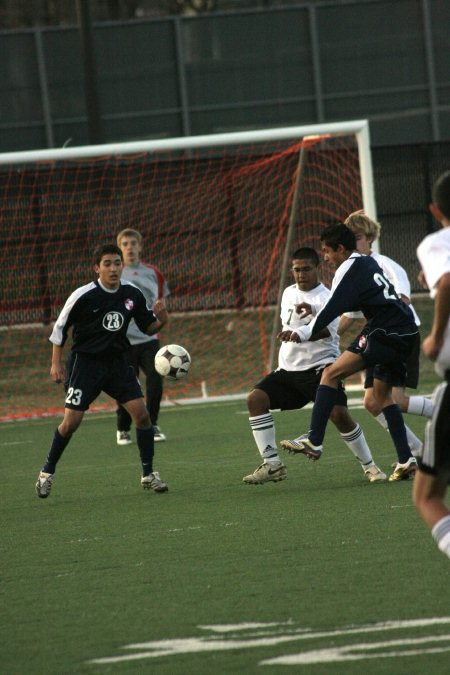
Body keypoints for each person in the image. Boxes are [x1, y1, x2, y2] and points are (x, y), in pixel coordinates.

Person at [280, 223, 419, 481]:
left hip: (384, 331)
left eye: (327, 251)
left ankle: (314, 440)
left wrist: (303, 332)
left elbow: (332, 308)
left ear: (340, 249)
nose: (325, 257)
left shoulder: (348, 268)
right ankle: (406, 459)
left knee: (330, 374)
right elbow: (354, 309)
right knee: (381, 395)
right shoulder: (366, 263)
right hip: (407, 331)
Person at [35, 243, 169, 499]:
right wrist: (55, 363)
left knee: (142, 416)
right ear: (97, 268)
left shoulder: (132, 293)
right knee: (70, 423)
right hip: (86, 365)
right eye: (107, 263)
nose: (113, 268)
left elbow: (148, 327)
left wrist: (163, 318)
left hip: (118, 363)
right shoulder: (83, 295)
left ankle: (149, 474)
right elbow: (59, 331)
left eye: (117, 263)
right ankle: (46, 473)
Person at [243, 247, 386, 485]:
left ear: (317, 268)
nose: (301, 274)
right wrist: (291, 334)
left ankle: (370, 466)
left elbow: (328, 332)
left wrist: (300, 334)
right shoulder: (288, 293)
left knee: (339, 415)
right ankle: (272, 464)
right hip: (288, 371)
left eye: (307, 269)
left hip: (321, 368)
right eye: (297, 270)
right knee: (255, 399)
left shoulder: (327, 297)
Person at [342, 210, 432, 457]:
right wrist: (325, 332)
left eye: (357, 236)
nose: (353, 242)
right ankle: (418, 452)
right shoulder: (353, 269)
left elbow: (402, 298)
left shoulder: (386, 265)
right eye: (348, 238)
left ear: (369, 237)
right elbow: (350, 314)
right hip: (378, 337)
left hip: (400, 335)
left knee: (395, 399)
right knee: (372, 402)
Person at [415, 169, 450, 560]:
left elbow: (448, 281)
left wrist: (437, 337)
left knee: (427, 496)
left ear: (435, 209)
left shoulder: (438, 241)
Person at [115, 228, 170, 445]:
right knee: (127, 384)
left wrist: (160, 317)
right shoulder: (115, 273)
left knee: (156, 380)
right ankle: (122, 427)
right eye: (125, 244)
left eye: (133, 243)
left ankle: (152, 424)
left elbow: (160, 302)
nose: (129, 247)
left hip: (149, 339)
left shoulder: (153, 272)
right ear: (120, 248)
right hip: (124, 341)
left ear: (140, 246)